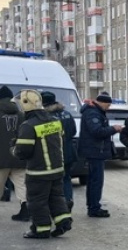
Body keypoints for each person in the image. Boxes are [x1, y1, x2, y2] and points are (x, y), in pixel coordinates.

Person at [11, 90, 72, 238]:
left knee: (37, 201)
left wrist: (14, 148)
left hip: (38, 172)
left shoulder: (28, 125)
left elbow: (23, 152)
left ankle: (41, 229)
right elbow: (60, 141)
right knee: (56, 198)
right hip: (57, 170)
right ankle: (63, 222)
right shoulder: (55, 121)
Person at [79, 91, 121, 218]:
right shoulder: (93, 112)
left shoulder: (94, 111)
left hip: (95, 151)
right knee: (96, 181)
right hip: (95, 151)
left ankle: (93, 205)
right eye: (108, 106)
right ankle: (94, 208)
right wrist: (114, 129)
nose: (108, 108)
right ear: (102, 103)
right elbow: (97, 131)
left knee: (93, 181)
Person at [43, 91, 77, 211]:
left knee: (53, 182)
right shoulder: (67, 113)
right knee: (66, 178)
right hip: (68, 152)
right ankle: (68, 200)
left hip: (54, 154)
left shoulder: (46, 117)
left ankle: (57, 206)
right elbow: (73, 131)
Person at [0, 85, 29, 221]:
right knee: (22, 185)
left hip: (1, 159)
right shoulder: (21, 114)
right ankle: (25, 210)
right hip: (18, 156)